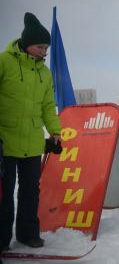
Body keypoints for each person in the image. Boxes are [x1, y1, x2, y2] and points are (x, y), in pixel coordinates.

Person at [0, 13, 62, 251]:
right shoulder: (4, 62)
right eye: (40, 46)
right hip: (5, 142)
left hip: (33, 141)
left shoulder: (44, 74)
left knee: (30, 192)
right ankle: (1, 239)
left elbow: (48, 106)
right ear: (27, 43)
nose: (43, 51)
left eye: (46, 47)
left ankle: (27, 234)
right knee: (4, 195)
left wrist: (55, 131)